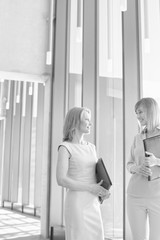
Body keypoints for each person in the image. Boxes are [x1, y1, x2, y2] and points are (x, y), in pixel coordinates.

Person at [56, 107, 110, 240]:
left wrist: (102, 191)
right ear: (75, 122)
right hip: (77, 203)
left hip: (93, 202)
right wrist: (91, 188)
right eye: (86, 120)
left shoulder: (91, 147)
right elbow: (61, 180)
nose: (90, 123)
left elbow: (94, 175)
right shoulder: (65, 147)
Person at [127, 97, 160, 240]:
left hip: (157, 197)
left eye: (140, 112)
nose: (138, 116)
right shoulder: (137, 137)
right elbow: (129, 164)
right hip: (135, 195)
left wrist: (156, 161)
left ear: (150, 111)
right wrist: (137, 168)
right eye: (136, 113)